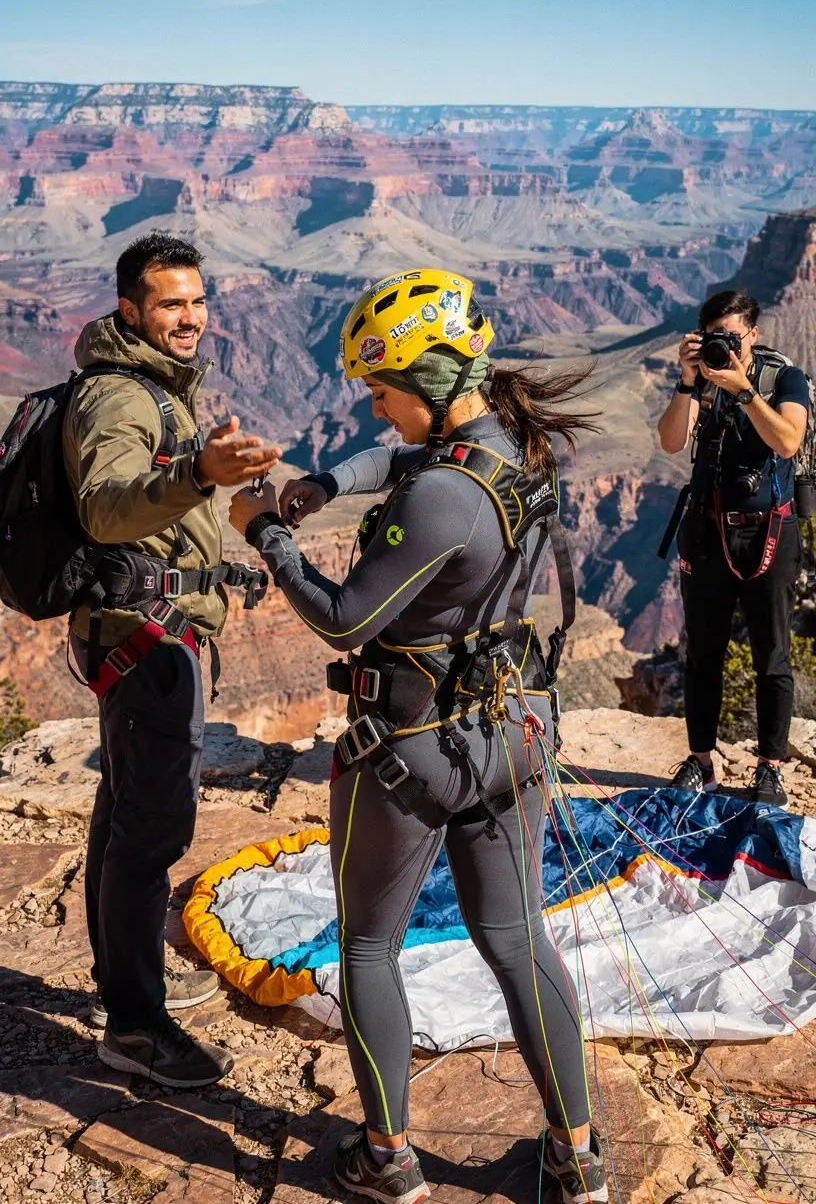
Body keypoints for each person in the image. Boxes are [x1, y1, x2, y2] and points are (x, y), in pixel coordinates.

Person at [229, 269, 608, 1204]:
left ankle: (390, 1160)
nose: (375, 406)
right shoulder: (505, 447)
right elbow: (394, 463)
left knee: (366, 949)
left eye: (383, 388)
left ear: (433, 383)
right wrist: (322, 484)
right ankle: (578, 1156)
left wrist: (265, 534)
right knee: (518, 942)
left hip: (411, 749)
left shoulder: (446, 496)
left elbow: (345, 619)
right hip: (510, 732)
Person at [63, 232, 280, 1086]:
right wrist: (198, 471)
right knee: (151, 829)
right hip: (142, 640)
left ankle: (126, 983)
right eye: (169, 305)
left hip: (143, 628)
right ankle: (135, 1026)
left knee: (124, 810)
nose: (189, 317)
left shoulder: (154, 383)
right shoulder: (122, 399)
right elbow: (108, 508)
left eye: (196, 301)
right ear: (131, 311)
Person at [657, 289, 808, 806]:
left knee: (772, 655)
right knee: (703, 653)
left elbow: (788, 441)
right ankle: (700, 761)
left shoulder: (783, 378)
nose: (726, 347)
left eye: (733, 338)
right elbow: (672, 442)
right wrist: (686, 382)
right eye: (715, 337)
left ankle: (769, 767)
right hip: (706, 531)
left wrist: (744, 391)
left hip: (770, 532)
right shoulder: (701, 382)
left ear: (754, 335)